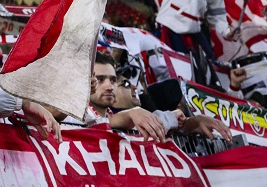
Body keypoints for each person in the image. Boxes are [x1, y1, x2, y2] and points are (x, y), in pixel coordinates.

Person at [84, 52, 232, 142]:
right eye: (100, 79)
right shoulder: (72, 117)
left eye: (113, 80)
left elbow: (149, 126)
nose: (109, 86)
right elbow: (94, 125)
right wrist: (131, 113)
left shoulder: (125, 118)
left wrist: (191, 123)